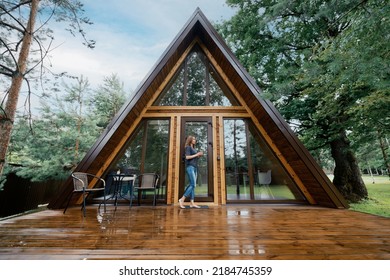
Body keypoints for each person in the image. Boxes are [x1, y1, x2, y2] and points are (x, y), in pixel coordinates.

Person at [179, 135, 203, 209]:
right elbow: (187, 157)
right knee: (193, 184)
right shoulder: (188, 147)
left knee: (192, 186)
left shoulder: (193, 148)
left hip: (194, 168)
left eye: (195, 139)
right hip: (190, 167)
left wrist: (198, 155)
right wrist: (197, 154)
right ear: (190, 140)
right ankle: (182, 199)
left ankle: (192, 203)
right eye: (193, 139)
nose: (195, 140)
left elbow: (194, 157)